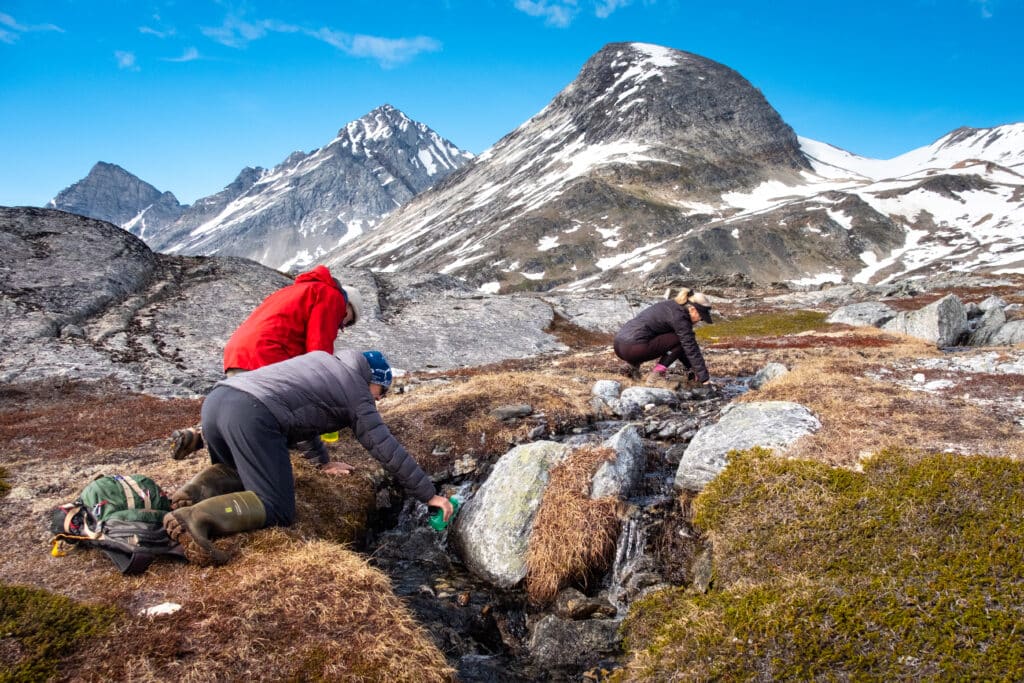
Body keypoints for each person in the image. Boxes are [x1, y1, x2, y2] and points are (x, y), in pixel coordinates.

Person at [163, 349, 454, 565]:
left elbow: (303, 419)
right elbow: (384, 446)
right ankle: (193, 517)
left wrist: (323, 463)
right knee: (276, 507)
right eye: (382, 391)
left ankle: (194, 491)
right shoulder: (356, 391)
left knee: (240, 470)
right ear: (372, 381)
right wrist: (429, 495)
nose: (380, 399)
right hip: (251, 415)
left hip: (218, 402)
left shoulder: (322, 363)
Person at [169, 265, 362, 462]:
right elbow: (318, 356)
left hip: (238, 352)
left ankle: (198, 436)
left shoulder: (294, 290)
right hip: (268, 353)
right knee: (290, 406)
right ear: (348, 305)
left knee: (241, 409)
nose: (341, 326)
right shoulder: (332, 296)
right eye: (346, 321)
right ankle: (312, 458)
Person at [613, 287, 714, 389]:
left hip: (619, 346)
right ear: (693, 309)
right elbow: (691, 348)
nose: (700, 321)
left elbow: (677, 348)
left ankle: (631, 366)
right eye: (701, 318)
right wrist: (705, 380)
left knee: (676, 339)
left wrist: (691, 369)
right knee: (682, 340)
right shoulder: (680, 318)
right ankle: (655, 377)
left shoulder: (671, 306)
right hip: (634, 348)